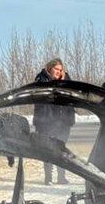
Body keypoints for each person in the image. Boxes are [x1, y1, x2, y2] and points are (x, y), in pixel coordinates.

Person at [32, 57, 76, 185]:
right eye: (56, 69)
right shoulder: (41, 80)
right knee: (48, 149)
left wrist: (63, 81)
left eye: (61, 70)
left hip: (63, 121)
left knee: (61, 149)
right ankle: (48, 177)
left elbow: (72, 94)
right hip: (47, 121)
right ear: (50, 68)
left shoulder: (66, 80)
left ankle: (61, 177)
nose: (59, 71)